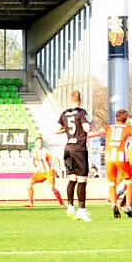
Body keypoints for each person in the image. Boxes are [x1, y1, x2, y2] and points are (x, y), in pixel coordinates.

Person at [56, 90, 94, 222]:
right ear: (80, 101)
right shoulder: (82, 112)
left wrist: (68, 129)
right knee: (82, 180)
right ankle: (82, 211)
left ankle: (70, 207)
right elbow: (87, 128)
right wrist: (92, 124)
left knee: (72, 178)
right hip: (79, 148)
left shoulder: (64, 113)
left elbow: (57, 130)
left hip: (68, 148)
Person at [96, 109, 132, 218]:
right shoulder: (128, 128)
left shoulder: (108, 127)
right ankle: (128, 205)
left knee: (112, 183)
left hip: (109, 158)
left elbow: (98, 133)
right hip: (122, 158)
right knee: (129, 182)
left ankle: (114, 203)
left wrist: (84, 135)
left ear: (116, 118)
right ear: (126, 119)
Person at [23, 136, 64, 208]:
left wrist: (58, 169)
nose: (40, 143)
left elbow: (56, 159)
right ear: (35, 143)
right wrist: (33, 163)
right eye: (39, 142)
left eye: (41, 142)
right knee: (29, 183)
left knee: (52, 187)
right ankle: (31, 203)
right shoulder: (34, 150)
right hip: (41, 172)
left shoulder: (45, 152)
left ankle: (61, 203)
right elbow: (33, 157)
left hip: (49, 171)